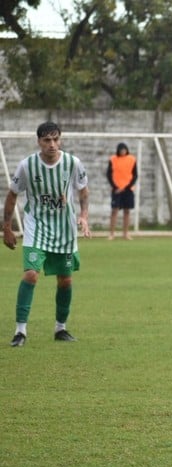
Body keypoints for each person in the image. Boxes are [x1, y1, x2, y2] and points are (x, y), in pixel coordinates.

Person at [3, 121, 91, 347]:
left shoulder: (73, 163)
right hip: (36, 227)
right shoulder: (27, 165)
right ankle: (20, 331)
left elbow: (83, 191)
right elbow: (12, 195)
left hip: (65, 230)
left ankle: (60, 328)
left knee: (65, 280)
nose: (52, 145)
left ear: (60, 140)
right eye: (47, 140)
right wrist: (6, 227)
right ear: (39, 142)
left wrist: (84, 216)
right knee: (31, 274)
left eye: (55, 139)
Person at [106, 142, 138, 240]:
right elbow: (109, 174)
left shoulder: (132, 159)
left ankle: (126, 233)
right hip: (116, 190)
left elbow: (135, 175)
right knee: (114, 211)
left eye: (124, 150)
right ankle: (111, 233)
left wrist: (126, 187)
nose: (123, 152)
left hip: (128, 189)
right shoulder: (113, 159)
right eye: (121, 150)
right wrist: (116, 187)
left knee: (127, 211)